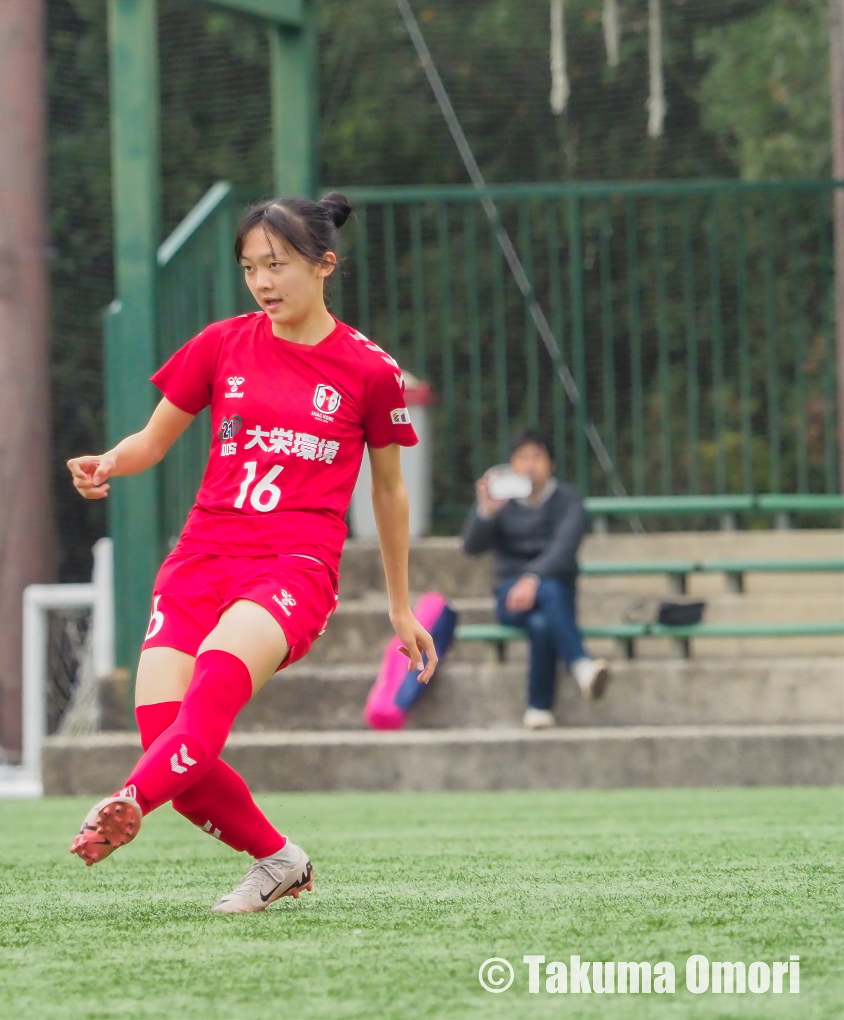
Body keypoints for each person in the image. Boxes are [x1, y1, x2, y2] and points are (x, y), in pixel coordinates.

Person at [65, 192, 436, 913]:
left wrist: (399, 603)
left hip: (292, 569)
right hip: (202, 558)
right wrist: (110, 461)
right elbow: (152, 440)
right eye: (250, 268)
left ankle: (124, 803)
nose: (264, 282)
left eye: (279, 265)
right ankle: (278, 862)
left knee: (203, 706)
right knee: (166, 737)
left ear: (324, 264)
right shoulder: (222, 343)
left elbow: (389, 494)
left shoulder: (369, 371)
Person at [462, 429, 611, 729]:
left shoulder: (569, 500)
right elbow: (471, 546)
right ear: (510, 465)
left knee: (546, 613)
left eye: (536, 457)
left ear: (551, 463)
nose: (529, 465)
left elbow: (564, 549)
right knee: (548, 596)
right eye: (521, 458)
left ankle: (538, 708)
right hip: (510, 596)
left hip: (556, 593)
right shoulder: (501, 502)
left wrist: (533, 578)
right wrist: (486, 512)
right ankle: (581, 665)